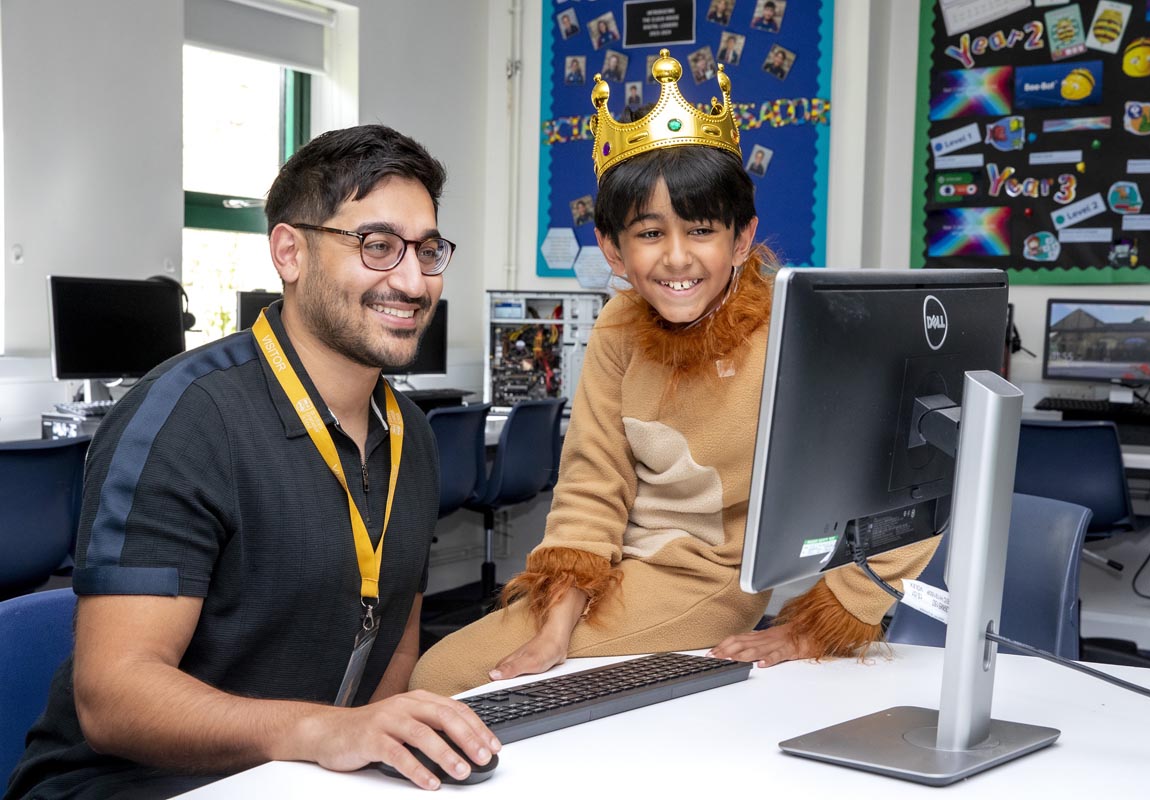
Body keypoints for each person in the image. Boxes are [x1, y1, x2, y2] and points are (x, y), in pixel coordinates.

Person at [409, 51, 936, 698]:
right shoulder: (618, 326)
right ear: (614, 250)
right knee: (465, 677)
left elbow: (912, 486)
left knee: (438, 678)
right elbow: (591, 486)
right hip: (610, 576)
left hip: (707, 580)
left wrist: (822, 625)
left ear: (742, 241)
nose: (678, 257)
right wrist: (556, 622)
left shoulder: (797, 332)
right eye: (651, 233)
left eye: (703, 230)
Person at [4, 125, 501, 800]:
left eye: (428, 250)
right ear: (290, 252)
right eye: (377, 246)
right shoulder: (186, 418)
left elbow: (395, 648)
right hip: (132, 784)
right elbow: (114, 698)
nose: (413, 281)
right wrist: (324, 732)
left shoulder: (411, 433)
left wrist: (378, 755)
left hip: (297, 775)